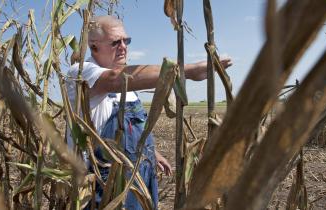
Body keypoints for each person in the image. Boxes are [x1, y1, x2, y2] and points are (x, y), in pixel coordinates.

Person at [66, 15, 232, 210]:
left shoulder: (129, 85)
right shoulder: (80, 73)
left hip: (141, 176)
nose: (123, 46)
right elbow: (113, 80)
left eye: (126, 40)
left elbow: (135, 125)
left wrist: (152, 152)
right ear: (94, 47)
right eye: (115, 42)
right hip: (106, 182)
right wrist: (188, 71)